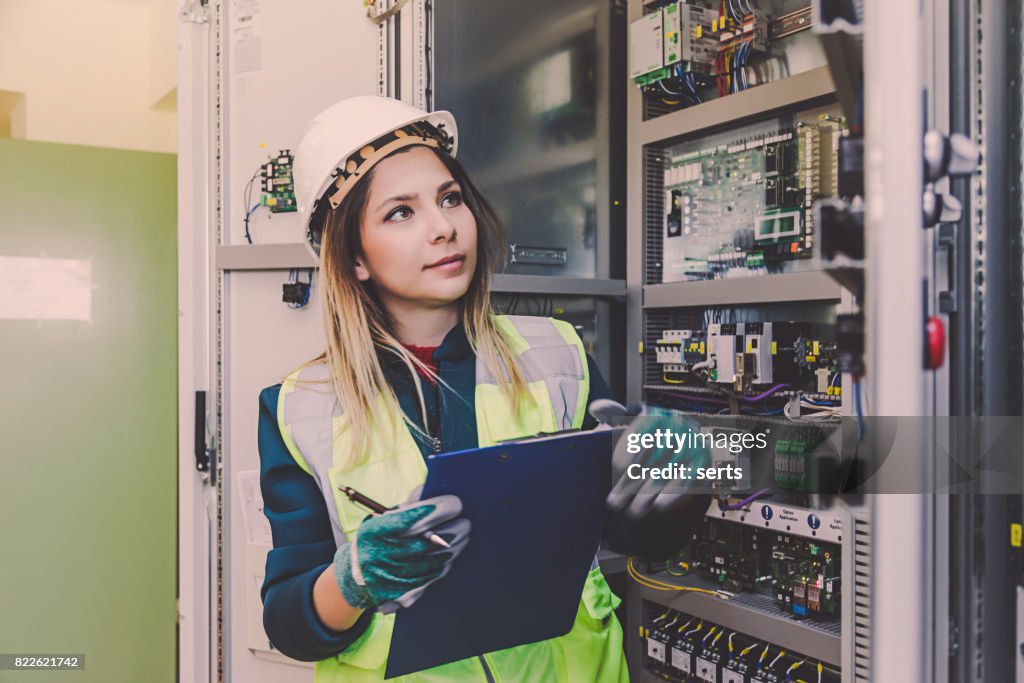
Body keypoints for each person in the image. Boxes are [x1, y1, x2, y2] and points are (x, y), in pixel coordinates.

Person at [257, 96, 704, 682]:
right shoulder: (300, 406)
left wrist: (683, 479)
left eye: (449, 198)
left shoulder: (558, 355)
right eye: (400, 213)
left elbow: (632, 533)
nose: (444, 227)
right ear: (354, 256)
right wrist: (353, 580)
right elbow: (289, 622)